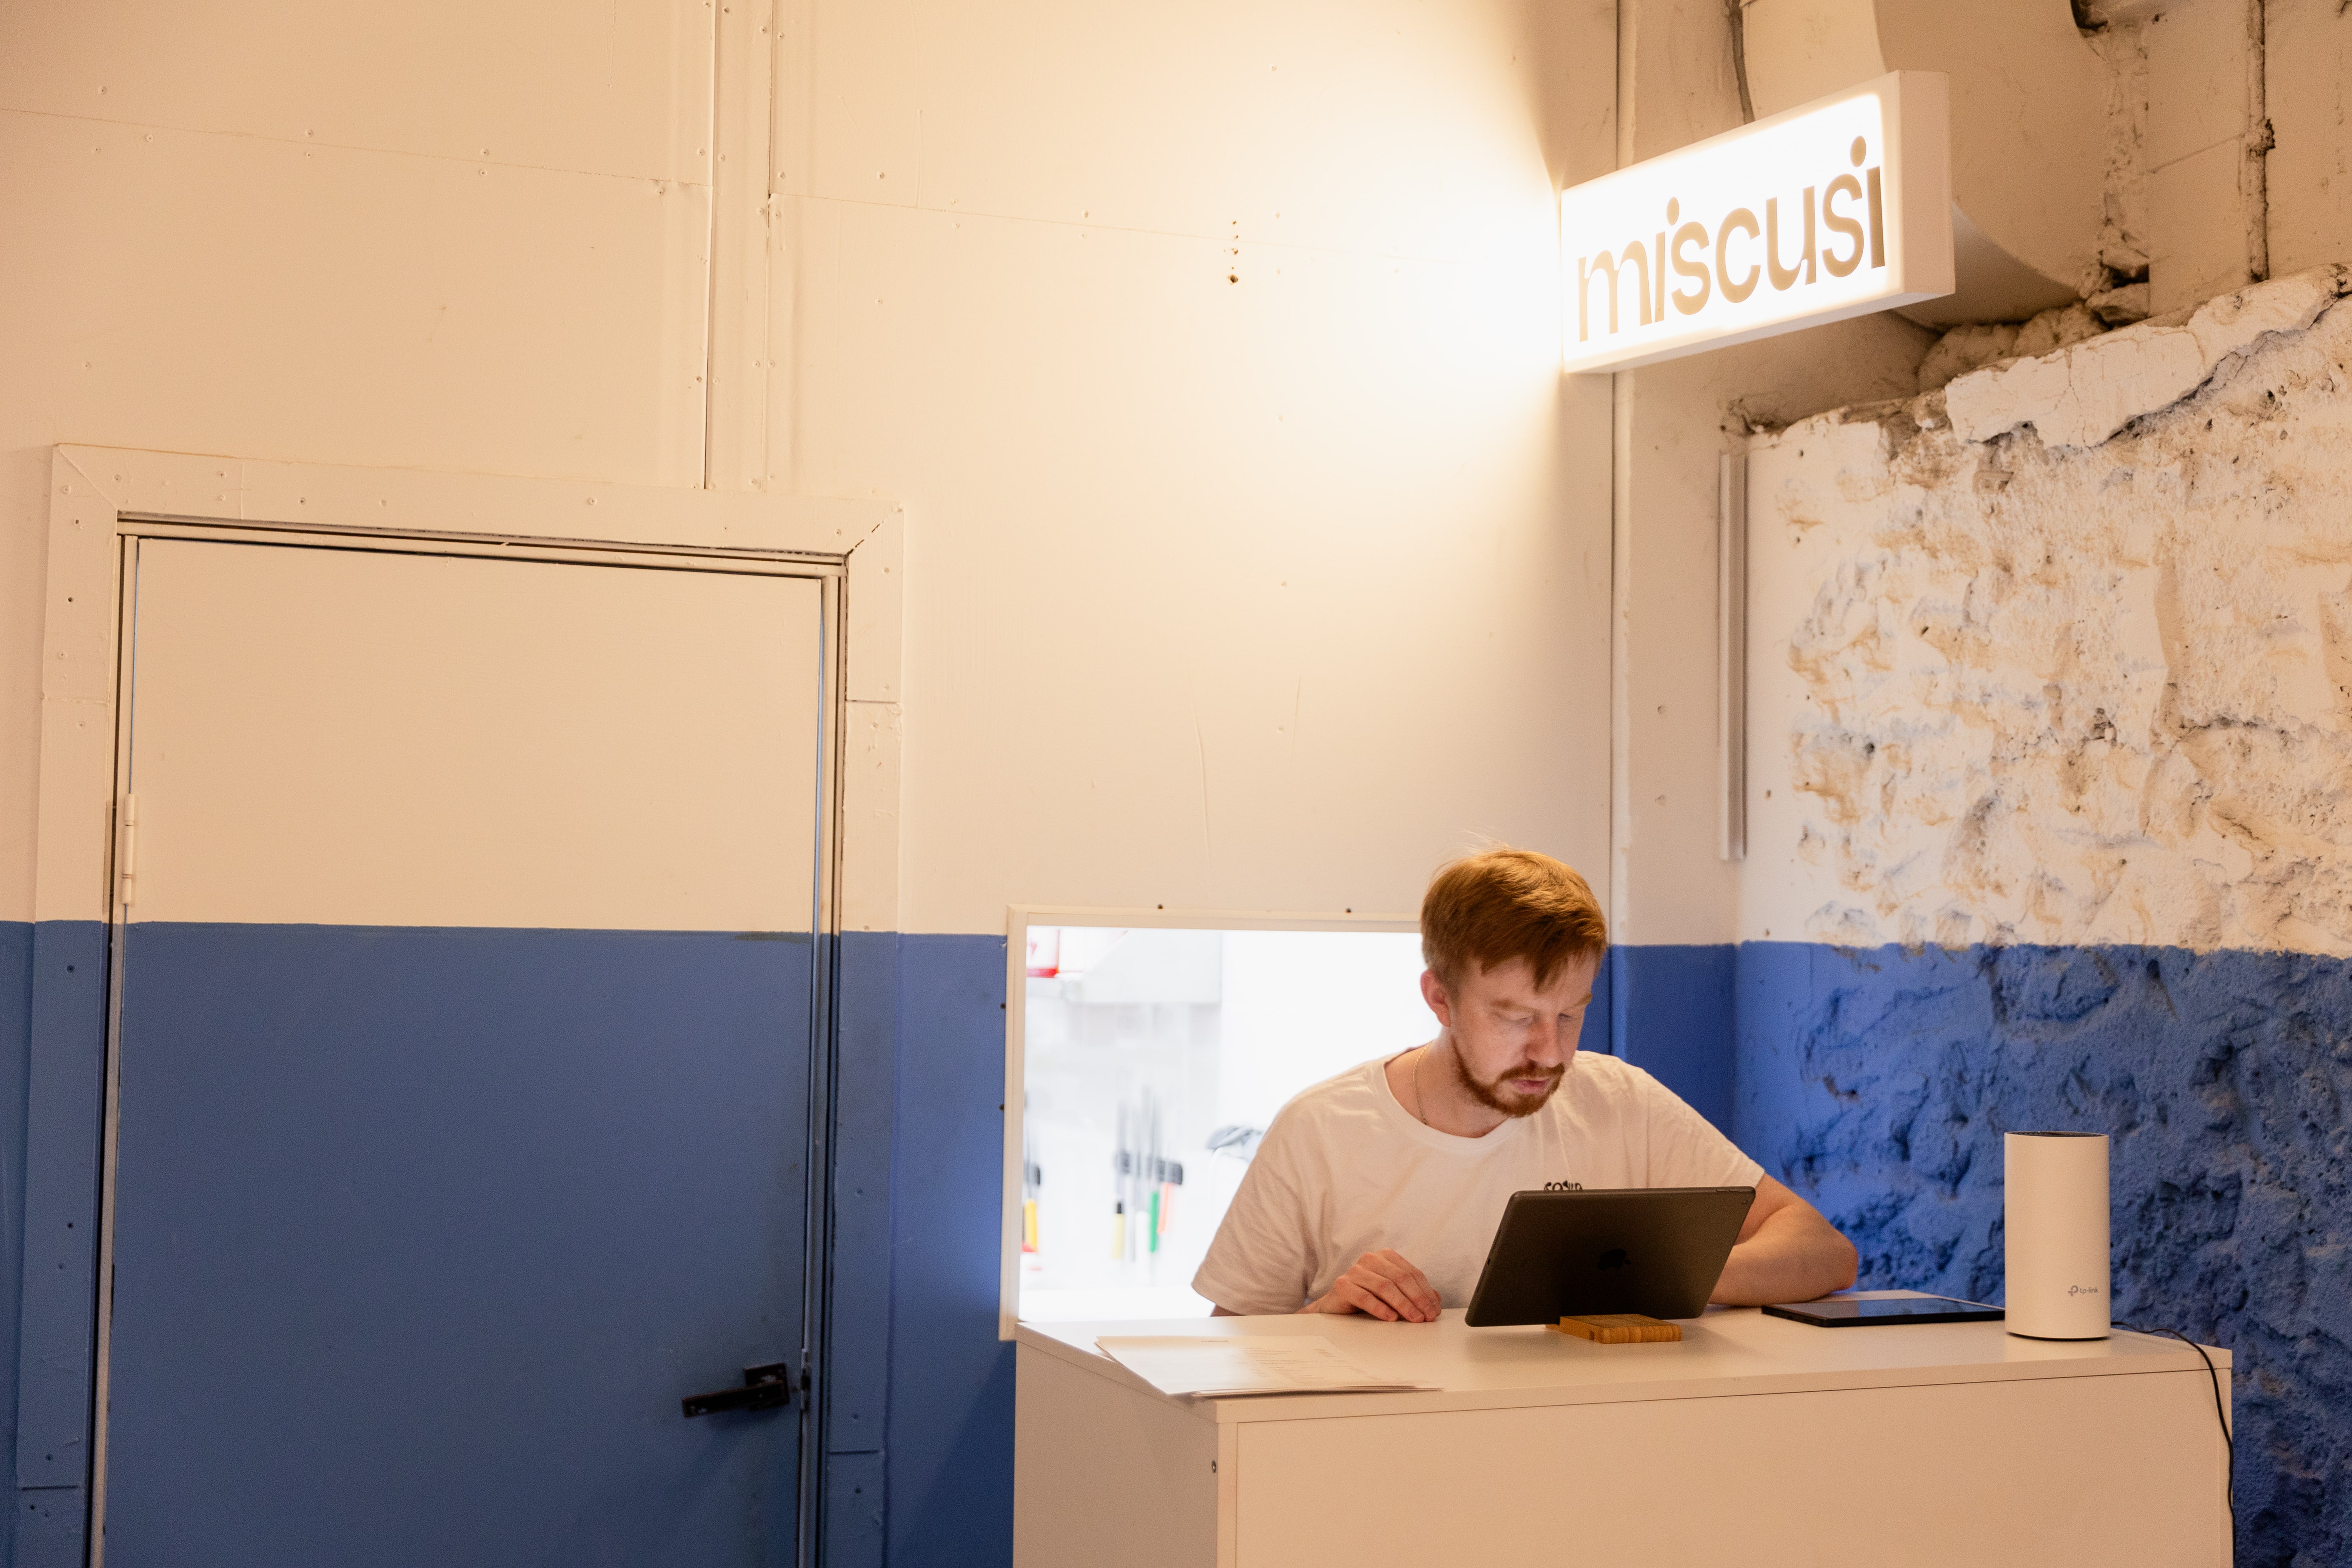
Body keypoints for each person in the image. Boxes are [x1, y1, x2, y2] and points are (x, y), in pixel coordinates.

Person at [1192, 847, 1856, 1321]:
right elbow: (1229, 1356)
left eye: (1569, 1015)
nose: (1550, 1052)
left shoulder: (1620, 1100)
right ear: (1439, 998)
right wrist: (1322, 1320)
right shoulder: (1319, 1130)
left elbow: (1823, 1251)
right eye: (1515, 1019)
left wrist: (1653, 1278)